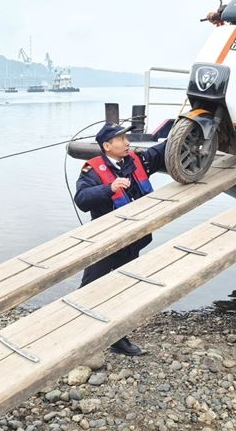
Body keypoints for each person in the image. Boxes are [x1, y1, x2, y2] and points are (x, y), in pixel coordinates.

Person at [75, 123, 166, 356]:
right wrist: (109, 187)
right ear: (107, 146)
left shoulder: (135, 160)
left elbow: (164, 151)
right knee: (91, 286)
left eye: (126, 138)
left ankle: (117, 338)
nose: (127, 142)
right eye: (121, 139)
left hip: (133, 239)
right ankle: (76, 334)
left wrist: (193, 126)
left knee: (124, 286)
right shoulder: (92, 171)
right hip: (106, 242)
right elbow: (82, 199)